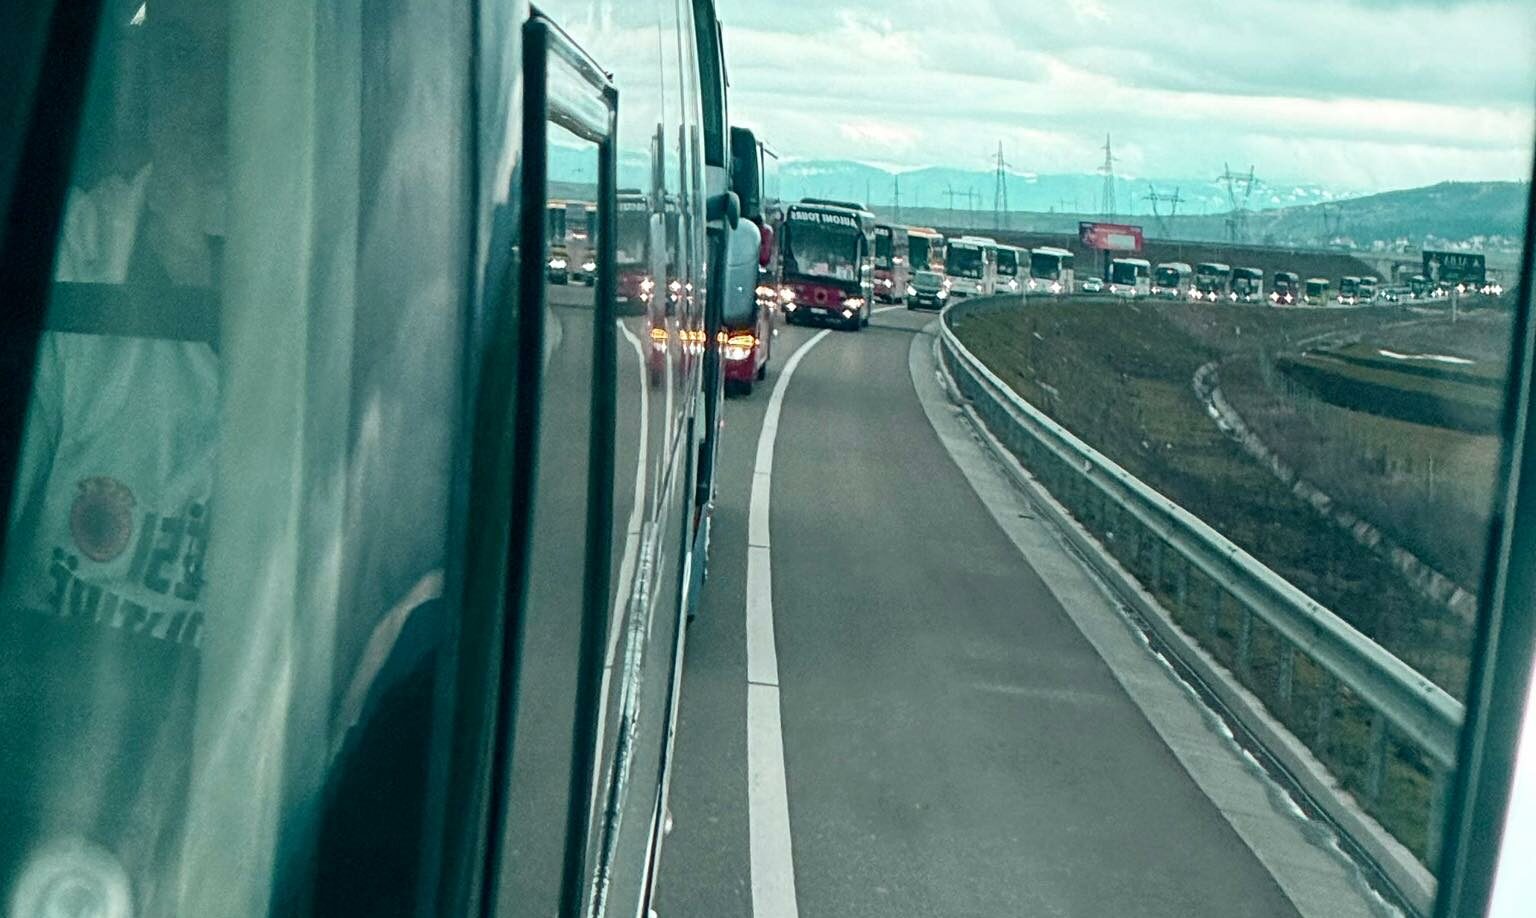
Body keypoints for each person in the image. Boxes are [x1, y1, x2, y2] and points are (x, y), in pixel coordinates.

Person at [0, 2, 227, 913]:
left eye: (235, 67)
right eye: (183, 61)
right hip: (44, 746)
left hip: (219, 773)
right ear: (144, 82)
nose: (209, 102)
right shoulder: (72, 256)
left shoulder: (335, 299)